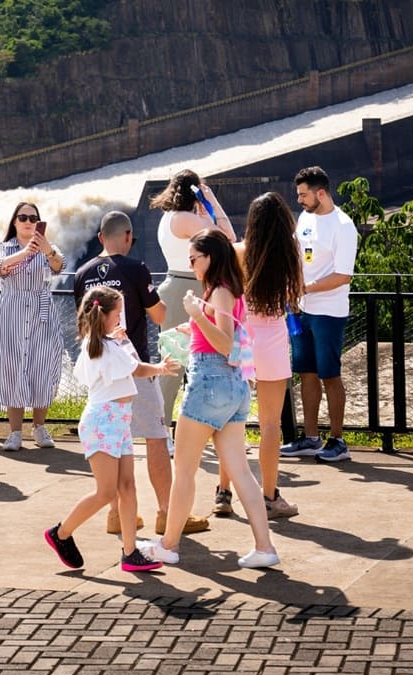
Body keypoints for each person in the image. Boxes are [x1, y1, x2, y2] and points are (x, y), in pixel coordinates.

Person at [140, 229, 280, 569]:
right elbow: (223, 336)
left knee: (184, 469)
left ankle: (168, 545)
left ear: (211, 257)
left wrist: (197, 316)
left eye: (194, 259)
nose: (190, 264)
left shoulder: (218, 291)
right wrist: (194, 326)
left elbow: (225, 342)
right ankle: (264, 547)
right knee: (241, 471)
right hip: (233, 386)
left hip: (210, 382)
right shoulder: (232, 290)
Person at [72, 211, 209, 536]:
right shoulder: (135, 268)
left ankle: (117, 515)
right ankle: (166, 512)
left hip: (101, 370)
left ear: (102, 237)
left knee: (115, 442)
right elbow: (159, 313)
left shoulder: (82, 273)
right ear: (129, 237)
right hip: (133, 365)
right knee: (156, 437)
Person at [44, 285, 177, 573]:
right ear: (103, 314)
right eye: (117, 313)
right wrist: (156, 366)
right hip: (103, 422)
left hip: (117, 420)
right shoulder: (102, 345)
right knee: (106, 492)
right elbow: (134, 369)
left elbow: (130, 365)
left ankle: (130, 552)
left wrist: (125, 345)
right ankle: (61, 533)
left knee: (127, 486)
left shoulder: (103, 342)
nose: (121, 318)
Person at [215, 193, 304, 519]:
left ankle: (223, 492)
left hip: (241, 337)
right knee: (270, 425)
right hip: (273, 339)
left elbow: (224, 295)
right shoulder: (289, 256)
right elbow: (295, 295)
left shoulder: (237, 253)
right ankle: (269, 496)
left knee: (230, 419)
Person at [279, 166, 358, 462]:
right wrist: (294, 290)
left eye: (303, 194)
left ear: (320, 193)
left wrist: (306, 288)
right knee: (306, 373)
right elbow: (299, 256)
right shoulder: (305, 218)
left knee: (330, 374)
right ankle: (310, 437)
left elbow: (343, 275)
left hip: (329, 311)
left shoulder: (343, 225)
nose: (298, 199)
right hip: (303, 308)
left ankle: (337, 439)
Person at [151, 170, 236, 441]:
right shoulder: (187, 218)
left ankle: (170, 430)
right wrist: (211, 199)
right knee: (177, 364)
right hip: (189, 287)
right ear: (194, 193)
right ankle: (163, 432)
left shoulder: (168, 218)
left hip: (178, 285)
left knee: (179, 363)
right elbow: (228, 238)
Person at [0, 201, 65, 451]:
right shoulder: (4, 248)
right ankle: (14, 432)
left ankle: (39, 427)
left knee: (43, 366)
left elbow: (60, 265)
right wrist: (27, 251)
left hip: (42, 312)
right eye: (23, 217)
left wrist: (45, 248)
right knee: (11, 367)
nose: (28, 221)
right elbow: (0, 266)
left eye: (33, 218)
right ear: (14, 222)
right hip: (11, 313)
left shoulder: (49, 248)